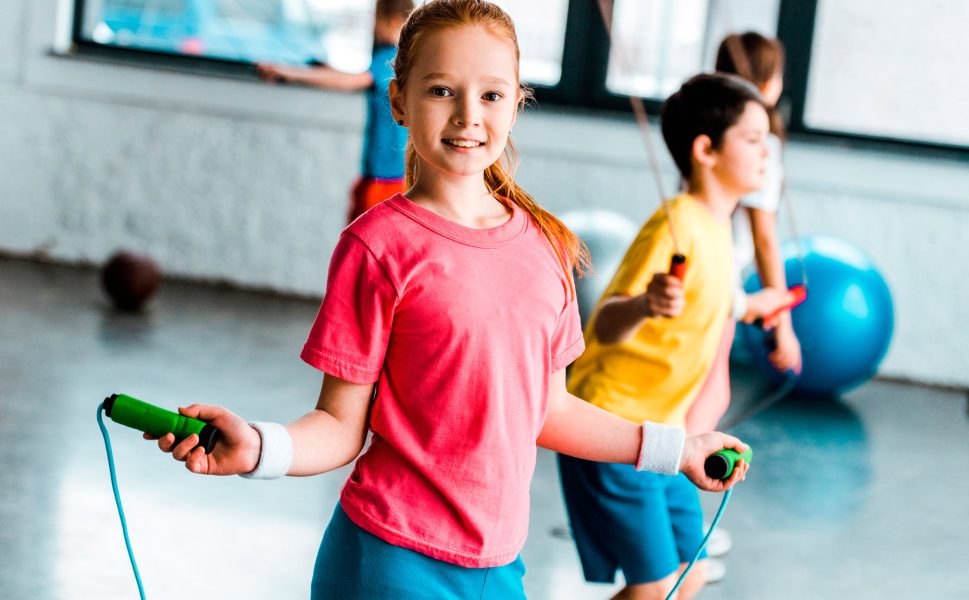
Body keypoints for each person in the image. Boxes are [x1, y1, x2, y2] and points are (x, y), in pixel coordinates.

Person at [149, 3, 750, 599]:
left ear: (516, 103)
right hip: (389, 563)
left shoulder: (548, 246)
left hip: (498, 567)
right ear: (399, 102)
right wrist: (259, 447)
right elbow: (338, 424)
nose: (468, 115)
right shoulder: (376, 246)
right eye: (441, 90)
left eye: (491, 95)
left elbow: (550, 410)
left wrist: (679, 449)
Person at [559, 73, 792, 600]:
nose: (766, 153)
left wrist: (754, 306)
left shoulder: (718, 226)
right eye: (753, 139)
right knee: (656, 586)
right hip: (616, 423)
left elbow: (715, 296)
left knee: (691, 574)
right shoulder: (674, 224)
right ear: (706, 151)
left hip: (669, 432)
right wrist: (645, 304)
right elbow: (607, 322)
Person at [685, 32, 803, 437]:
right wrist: (783, 324)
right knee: (709, 392)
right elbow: (765, 238)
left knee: (697, 385)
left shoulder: (705, 129)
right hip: (718, 276)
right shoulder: (758, 144)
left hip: (697, 265)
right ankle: (681, 462)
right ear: (768, 83)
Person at [257, 0, 413, 224]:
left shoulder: (389, 56)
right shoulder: (401, 61)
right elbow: (359, 77)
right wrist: (325, 69)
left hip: (383, 181)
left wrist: (291, 73)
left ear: (393, 21)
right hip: (389, 178)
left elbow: (353, 81)